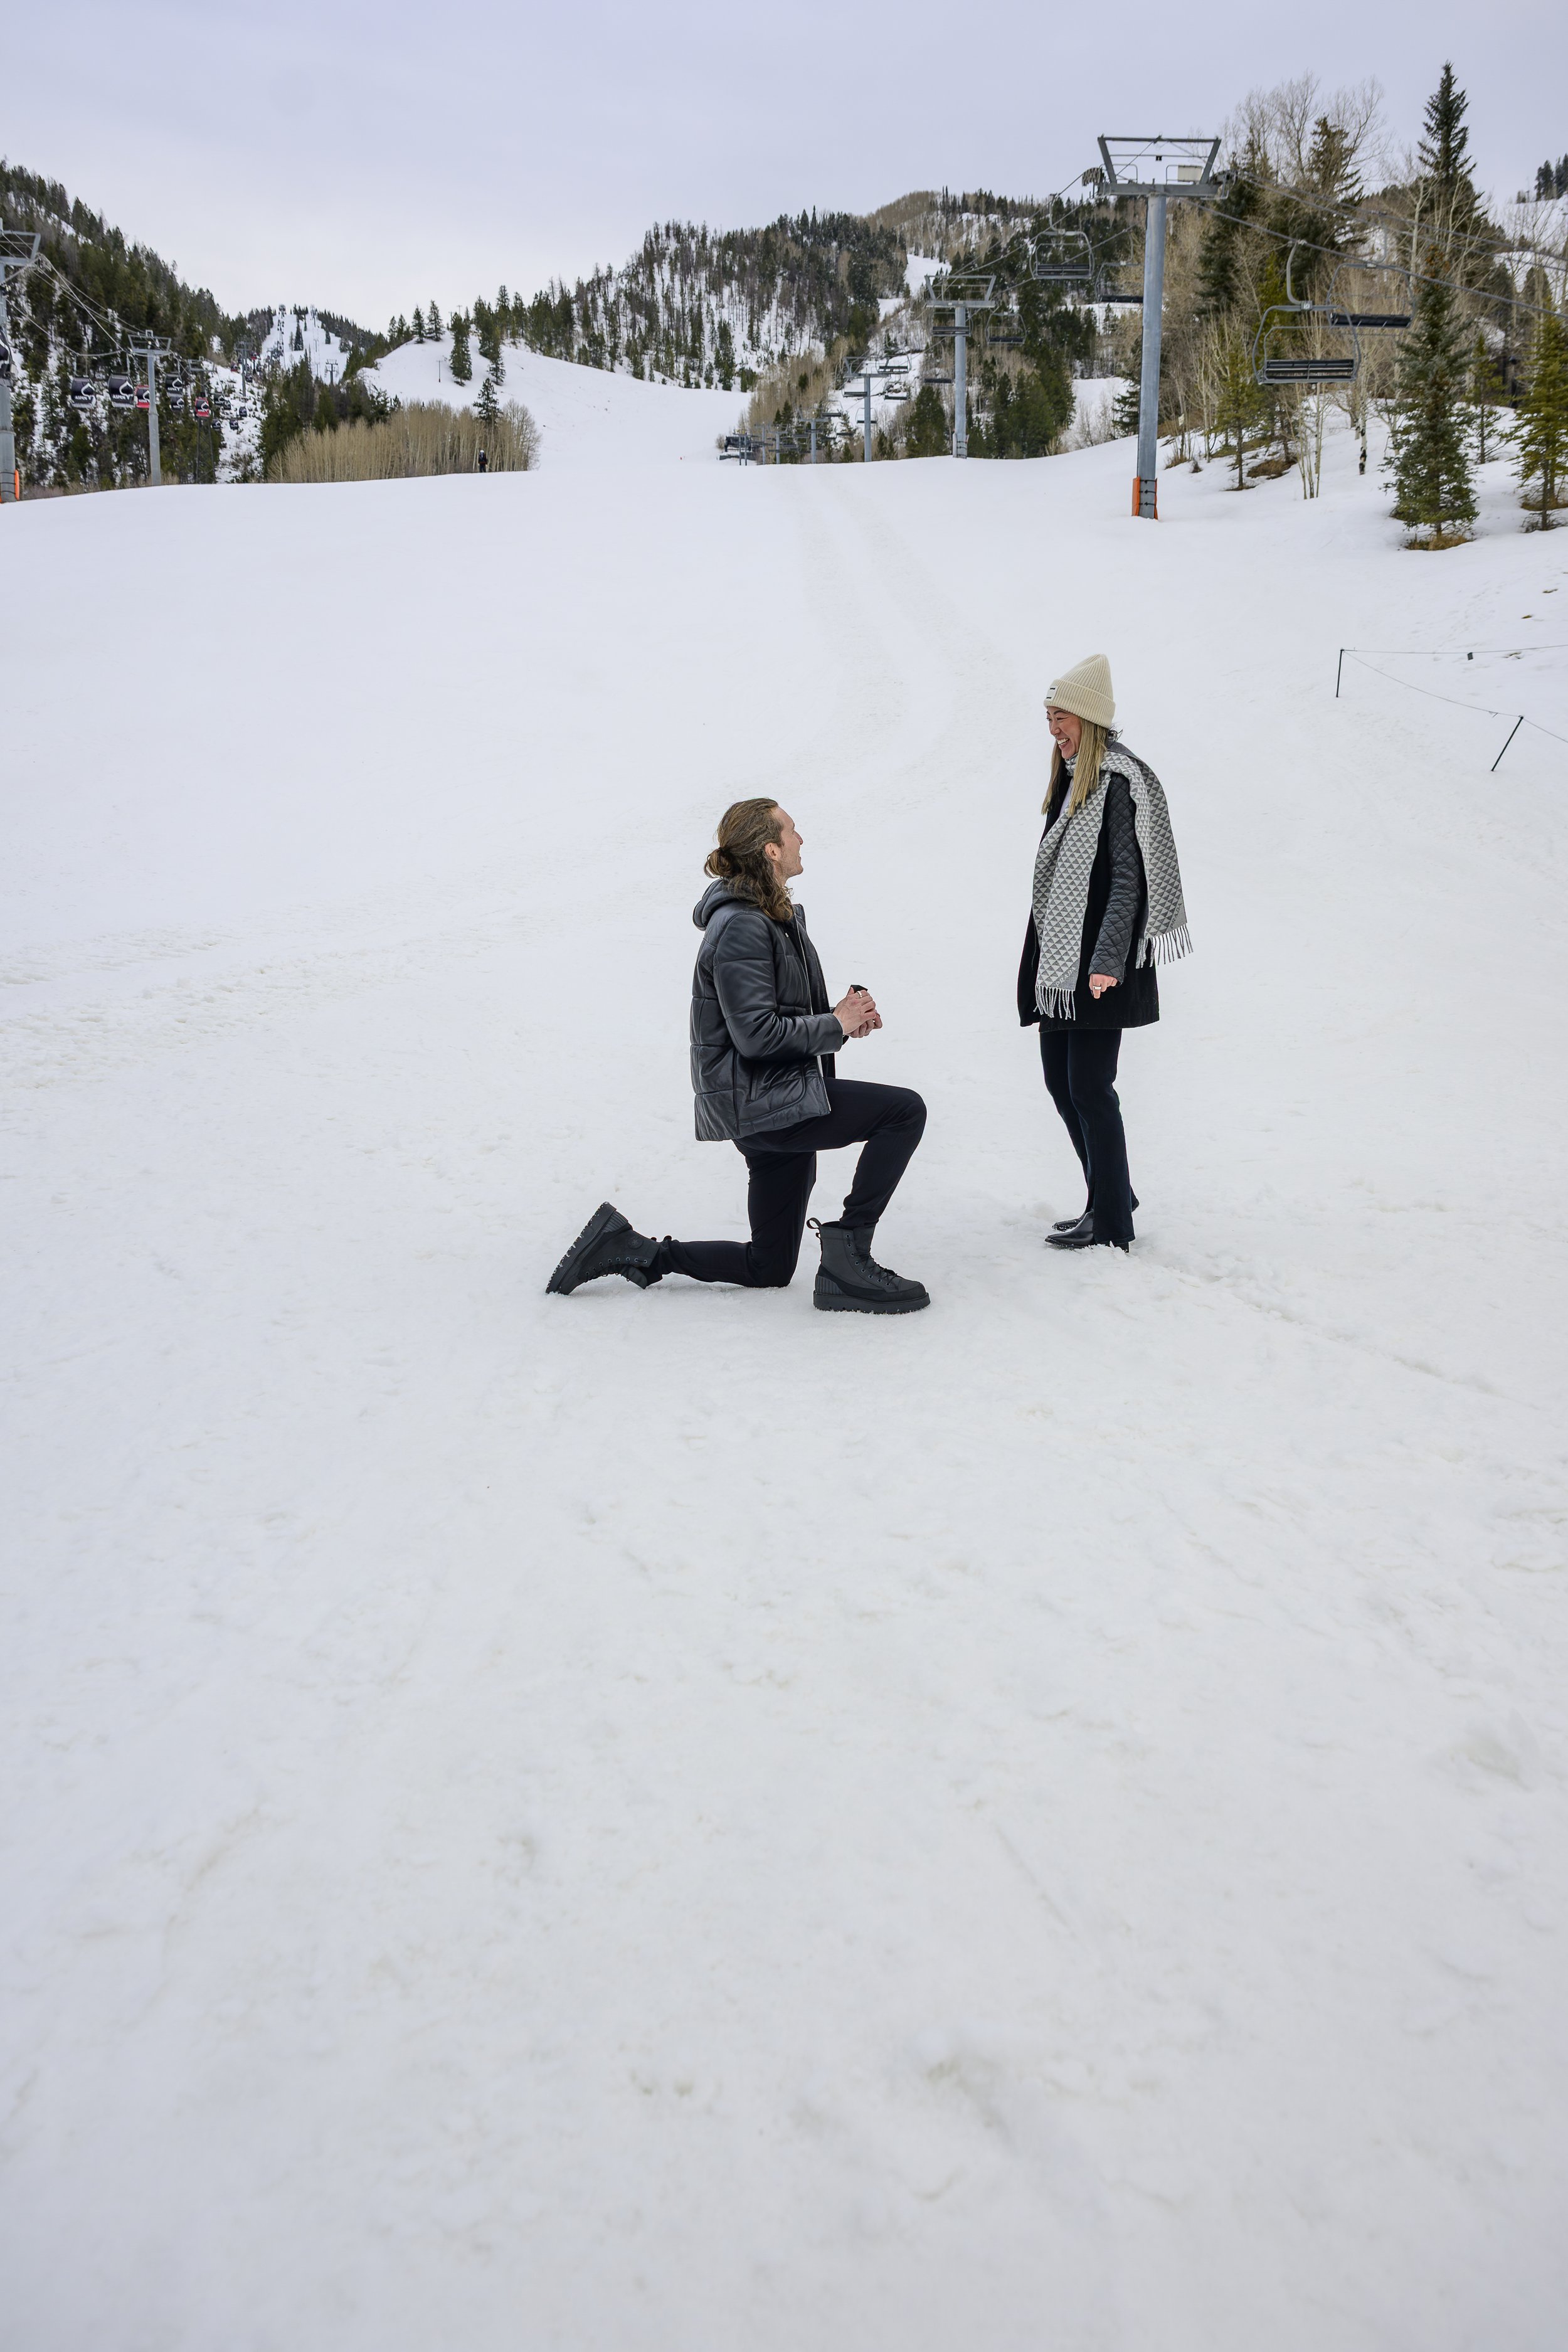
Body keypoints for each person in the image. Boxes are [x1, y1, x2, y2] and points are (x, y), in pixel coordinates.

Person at [548, 798, 930, 1313]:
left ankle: (632, 1250)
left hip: (769, 1102)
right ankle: (850, 1251)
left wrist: (843, 1022)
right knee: (903, 1111)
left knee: (768, 1268)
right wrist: (833, 1024)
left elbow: (776, 1013)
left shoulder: (770, 918)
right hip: (765, 1104)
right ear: (771, 849)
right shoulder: (743, 926)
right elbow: (756, 1034)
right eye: (792, 832)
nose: (801, 840)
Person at [1017, 653, 1190, 1253]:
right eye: (1048, 716)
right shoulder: (1070, 780)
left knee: (1090, 1087)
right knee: (1061, 1085)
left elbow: (1128, 880)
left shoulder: (1118, 781)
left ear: (1089, 720)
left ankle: (1113, 1222)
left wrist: (1106, 962)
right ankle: (1109, 1190)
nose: (1053, 728)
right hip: (1059, 964)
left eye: (1061, 716)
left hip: (1096, 967)